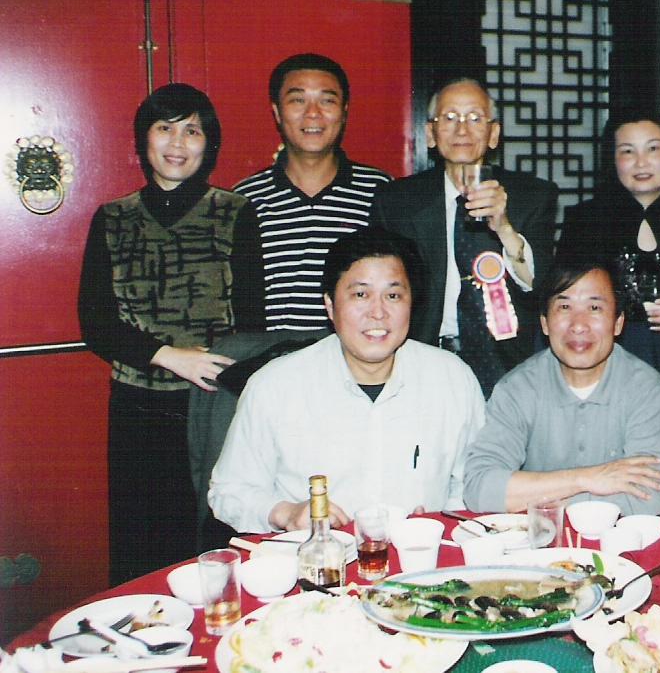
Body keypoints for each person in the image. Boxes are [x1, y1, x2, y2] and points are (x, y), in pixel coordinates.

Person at [78, 83, 264, 584]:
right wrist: (168, 355)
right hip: (137, 407)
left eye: (192, 131)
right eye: (165, 128)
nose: (177, 143)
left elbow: (252, 323)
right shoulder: (113, 219)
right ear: (144, 139)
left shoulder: (235, 213)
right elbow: (96, 322)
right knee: (140, 548)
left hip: (213, 405)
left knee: (212, 541)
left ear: (209, 144)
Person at [209, 228, 485, 532]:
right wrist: (287, 514)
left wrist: (442, 521)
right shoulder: (275, 386)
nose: (378, 313)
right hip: (315, 556)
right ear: (330, 305)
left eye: (393, 296)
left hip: (419, 556)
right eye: (361, 295)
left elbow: (474, 483)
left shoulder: (451, 379)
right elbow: (229, 492)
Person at [556, 106, 660, 515]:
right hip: (607, 375)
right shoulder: (584, 220)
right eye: (627, 151)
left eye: (653, 148)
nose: (641, 162)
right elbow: (564, 305)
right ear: (612, 161)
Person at [373, 79, 559, 397]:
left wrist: (504, 228)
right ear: (430, 134)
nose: (462, 129)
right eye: (450, 118)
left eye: (475, 118)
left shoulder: (533, 196)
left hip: (506, 366)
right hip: (420, 362)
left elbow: (541, 286)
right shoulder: (397, 201)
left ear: (494, 134)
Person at [463, 262, 660, 515]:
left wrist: (533, 497)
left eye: (594, 308)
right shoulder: (517, 389)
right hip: (539, 538)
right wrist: (586, 479)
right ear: (544, 323)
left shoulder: (644, 388)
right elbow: (480, 490)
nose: (578, 325)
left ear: (618, 323)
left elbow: (645, 499)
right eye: (564, 307)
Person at [235, 53, 393, 331]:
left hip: (356, 353)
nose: (313, 113)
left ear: (344, 111)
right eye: (298, 100)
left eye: (327, 100)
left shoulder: (382, 192)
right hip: (271, 355)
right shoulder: (244, 200)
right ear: (277, 112)